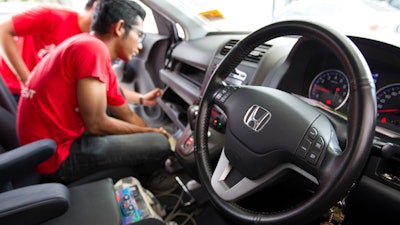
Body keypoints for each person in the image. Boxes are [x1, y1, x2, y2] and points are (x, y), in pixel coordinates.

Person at [16, 0, 176, 193]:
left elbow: (123, 110)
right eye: (139, 35)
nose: (140, 45)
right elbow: (96, 124)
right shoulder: (92, 49)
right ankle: (152, 181)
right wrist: (156, 139)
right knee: (159, 143)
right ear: (120, 28)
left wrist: (147, 125)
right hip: (55, 156)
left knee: (152, 138)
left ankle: (145, 167)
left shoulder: (85, 43)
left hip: (48, 144)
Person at [0, 0, 162, 105]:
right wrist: (27, 80)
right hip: (10, 87)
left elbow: (104, 84)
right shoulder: (52, 15)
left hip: (40, 95)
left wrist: (140, 99)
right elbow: (3, 31)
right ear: (99, 5)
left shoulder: (94, 44)